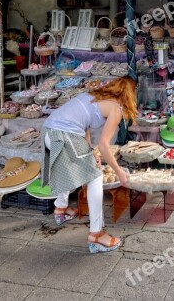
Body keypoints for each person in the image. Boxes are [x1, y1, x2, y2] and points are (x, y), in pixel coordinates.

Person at [40, 76, 136, 253]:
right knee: (95, 176)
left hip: (48, 132)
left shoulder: (92, 96)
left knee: (68, 165)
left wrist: (90, 151)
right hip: (64, 136)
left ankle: (60, 209)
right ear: (129, 95)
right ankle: (97, 236)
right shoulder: (116, 108)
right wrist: (120, 172)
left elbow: (86, 128)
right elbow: (104, 146)